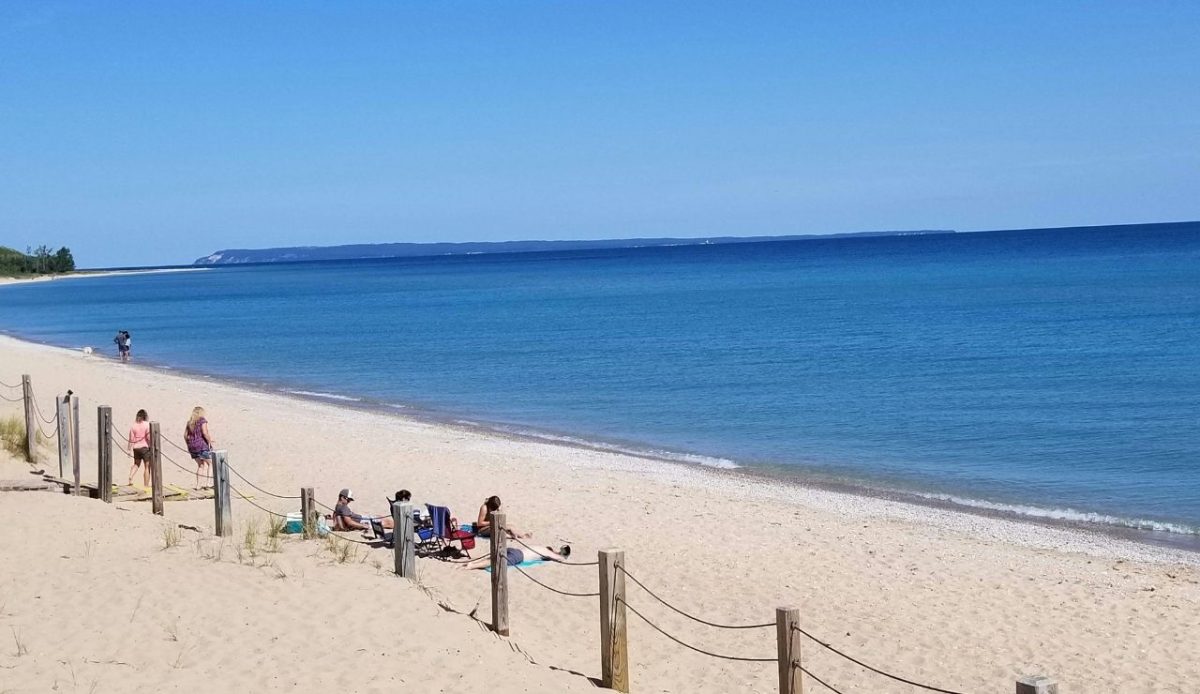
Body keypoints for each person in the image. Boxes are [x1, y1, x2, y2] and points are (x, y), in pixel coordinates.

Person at [457, 543, 570, 570]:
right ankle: (471, 565)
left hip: (515, 550)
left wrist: (558, 551)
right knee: (495, 563)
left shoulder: (541, 548)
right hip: (519, 557)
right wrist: (562, 555)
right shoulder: (547, 553)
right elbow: (560, 558)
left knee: (492, 558)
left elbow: (555, 552)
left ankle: (472, 563)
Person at [184, 406, 214, 488]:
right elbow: (204, 432)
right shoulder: (202, 420)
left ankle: (198, 485)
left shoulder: (190, 422)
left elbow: (185, 435)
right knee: (210, 463)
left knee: (200, 465)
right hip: (201, 445)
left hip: (192, 446)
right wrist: (209, 441)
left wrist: (189, 444)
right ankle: (208, 483)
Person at [126, 409, 152, 487]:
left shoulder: (133, 426)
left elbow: (131, 439)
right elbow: (149, 437)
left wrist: (129, 450)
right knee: (147, 466)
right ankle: (146, 485)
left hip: (136, 448)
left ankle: (131, 476)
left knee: (136, 464)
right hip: (144, 448)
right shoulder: (147, 424)